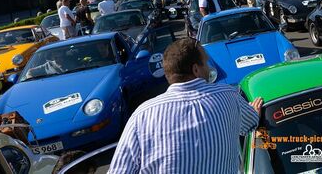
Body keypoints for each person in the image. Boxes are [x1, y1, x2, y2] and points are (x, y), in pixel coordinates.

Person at [108, 38, 263, 173]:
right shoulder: (228, 95)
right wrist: (254, 111)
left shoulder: (142, 115)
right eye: (206, 63)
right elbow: (251, 123)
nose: (209, 68)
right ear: (196, 69)